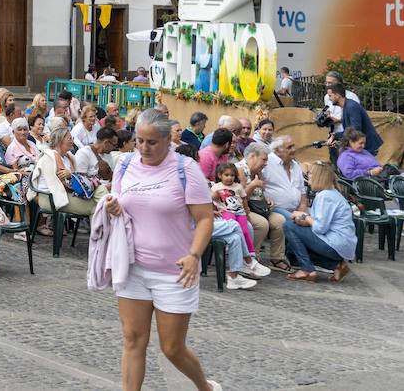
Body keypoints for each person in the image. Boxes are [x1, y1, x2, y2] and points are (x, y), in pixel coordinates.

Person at [104, 109, 222, 391]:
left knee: (172, 348)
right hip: (133, 266)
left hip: (175, 272)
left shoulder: (185, 168)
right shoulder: (124, 165)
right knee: (133, 340)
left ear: (168, 140)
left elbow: (205, 218)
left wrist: (194, 255)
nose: (143, 148)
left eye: (151, 142)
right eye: (139, 141)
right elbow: (120, 205)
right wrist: (113, 207)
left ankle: (204, 387)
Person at [284, 161, 356, 283]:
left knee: (289, 226)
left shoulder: (325, 196)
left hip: (335, 244)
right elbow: (318, 220)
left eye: (310, 174)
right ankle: (337, 265)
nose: (308, 177)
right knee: (291, 251)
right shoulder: (332, 193)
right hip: (342, 245)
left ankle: (307, 270)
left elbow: (320, 228)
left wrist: (304, 216)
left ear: (318, 177)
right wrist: (304, 219)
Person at [234, 144, 289, 273]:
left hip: (257, 207)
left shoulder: (258, 171)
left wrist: (266, 199)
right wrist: (253, 185)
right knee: (261, 224)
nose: (266, 163)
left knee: (279, 220)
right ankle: (251, 258)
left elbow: (259, 193)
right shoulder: (239, 170)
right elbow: (239, 198)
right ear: (252, 156)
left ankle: (277, 258)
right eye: (264, 160)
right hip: (241, 208)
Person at [325, 81, 382, 155]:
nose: (329, 99)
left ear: (337, 95)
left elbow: (355, 130)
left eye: (330, 96)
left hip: (367, 147)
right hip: (362, 147)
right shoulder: (346, 106)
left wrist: (336, 136)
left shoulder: (351, 106)